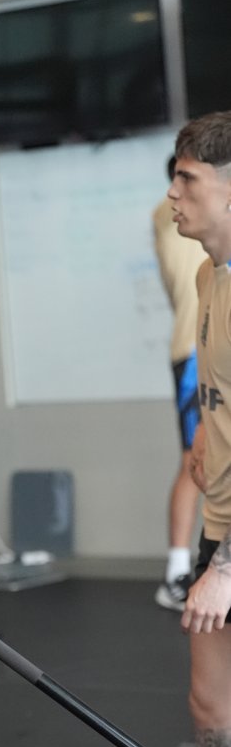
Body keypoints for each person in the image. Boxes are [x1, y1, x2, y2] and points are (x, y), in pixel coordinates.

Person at [109, 113, 231, 747]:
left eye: (186, 178)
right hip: (222, 524)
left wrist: (227, 566)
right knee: (210, 706)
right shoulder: (210, 276)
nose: (173, 194)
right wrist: (204, 439)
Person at [152, 155, 206, 611]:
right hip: (195, 349)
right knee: (196, 457)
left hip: (210, 344)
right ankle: (175, 573)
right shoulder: (174, 212)